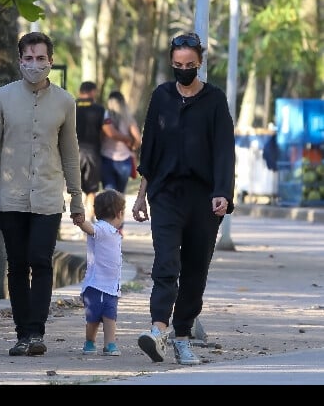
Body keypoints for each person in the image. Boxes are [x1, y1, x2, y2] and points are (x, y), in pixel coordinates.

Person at [0, 31, 86, 357]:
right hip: (11, 196)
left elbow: (70, 154)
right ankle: (22, 334)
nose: (34, 65)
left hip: (49, 196)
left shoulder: (65, 101)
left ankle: (37, 332)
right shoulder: (2, 97)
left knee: (41, 259)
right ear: (19, 60)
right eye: (28, 59)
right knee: (18, 264)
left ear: (50, 61)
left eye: (40, 59)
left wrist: (77, 199)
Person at [132, 32, 235, 366]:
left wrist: (223, 193)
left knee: (194, 271)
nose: (184, 70)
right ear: (171, 63)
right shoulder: (161, 96)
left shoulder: (215, 100)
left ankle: (181, 336)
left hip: (204, 200)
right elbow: (149, 150)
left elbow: (224, 151)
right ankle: (158, 329)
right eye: (178, 65)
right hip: (166, 195)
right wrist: (140, 197)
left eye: (190, 65)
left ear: (200, 64)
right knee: (165, 264)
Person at [75, 188, 125, 357]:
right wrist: (81, 222)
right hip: (96, 285)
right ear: (119, 213)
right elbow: (90, 229)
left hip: (111, 286)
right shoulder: (102, 228)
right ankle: (90, 341)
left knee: (111, 315)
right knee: (93, 318)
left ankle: (110, 344)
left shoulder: (114, 233)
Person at [76, 81, 134, 222]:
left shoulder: (70, 107)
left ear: (80, 92)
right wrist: (127, 139)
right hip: (92, 154)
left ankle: (77, 217)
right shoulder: (100, 110)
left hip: (73, 153)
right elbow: (110, 133)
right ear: (92, 92)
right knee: (91, 190)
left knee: (76, 189)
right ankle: (88, 222)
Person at [100, 90, 142, 195]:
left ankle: (109, 211)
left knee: (109, 194)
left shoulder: (105, 117)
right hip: (125, 161)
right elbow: (138, 139)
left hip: (106, 159)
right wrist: (132, 148)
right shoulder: (128, 119)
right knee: (120, 195)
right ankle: (120, 212)